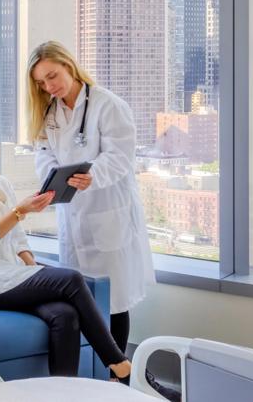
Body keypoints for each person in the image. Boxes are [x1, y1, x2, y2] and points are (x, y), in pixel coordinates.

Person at [27, 41, 180, 401]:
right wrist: (53, 174)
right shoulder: (49, 113)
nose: (49, 86)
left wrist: (93, 174)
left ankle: (118, 381)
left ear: (69, 65)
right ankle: (93, 376)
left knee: (113, 300)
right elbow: (42, 152)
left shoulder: (108, 105)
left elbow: (122, 156)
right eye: (41, 82)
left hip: (107, 209)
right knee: (83, 297)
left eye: (53, 76)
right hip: (72, 212)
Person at [0, 116, 132, 380]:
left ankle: (63, 395)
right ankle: (117, 362)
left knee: (64, 314)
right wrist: (19, 211)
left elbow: (16, 238)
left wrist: (34, 271)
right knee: (71, 278)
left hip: (9, 274)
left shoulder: (0, 183)